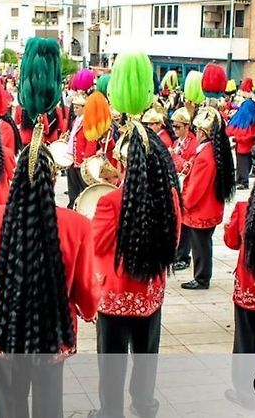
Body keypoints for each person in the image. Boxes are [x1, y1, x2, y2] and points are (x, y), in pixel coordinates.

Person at [0, 124, 98, 418]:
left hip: (4, 326)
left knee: (8, 404)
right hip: (52, 328)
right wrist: (89, 311)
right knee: (49, 405)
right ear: (53, 180)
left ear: (15, 178)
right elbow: (85, 288)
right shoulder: (76, 224)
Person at [90, 121, 181, 418]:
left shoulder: (110, 201)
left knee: (112, 361)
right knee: (146, 358)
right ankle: (144, 406)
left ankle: (111, 411)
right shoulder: (169, 196)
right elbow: (174, 240)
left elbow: (98, 245)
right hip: (150, 293)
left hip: (115, 295)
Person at [223, 133, 255, 410]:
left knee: (246, 345)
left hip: (249, 291)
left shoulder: (244, 210)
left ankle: (246, 394)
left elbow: (230, 241)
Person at [181, 106, 235, 290]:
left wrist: (184, 202)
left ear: (203, 132)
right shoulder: (212, 151)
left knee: (200, 246)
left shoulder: (205, 155)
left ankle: (202, 277)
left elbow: (197, 187)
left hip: (200, 210)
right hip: (209, 207)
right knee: (203, 243)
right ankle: (202, 275)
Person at [169, 107, 198, 272]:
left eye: (178, 127)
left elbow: (189, 166)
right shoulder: (176, 142)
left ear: (187, 126)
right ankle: (177, 252)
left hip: (186, 186)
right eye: (173, 126)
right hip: (176, 184)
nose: (175, 130)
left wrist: (174, 157)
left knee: (185, 223)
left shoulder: (193, 144)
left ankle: (183, 256)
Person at [66, 93, 97, 208]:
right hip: (73, 157)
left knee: (83, 185)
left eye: (77, 107)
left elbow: (91, 141)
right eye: (74, 107)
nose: (74, 110)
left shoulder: (89, 122)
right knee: (72, 184)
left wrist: (86, 159)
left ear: (84, 108)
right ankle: (72, 203)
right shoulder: (76, 121)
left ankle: (84, 205)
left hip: (82, 158)